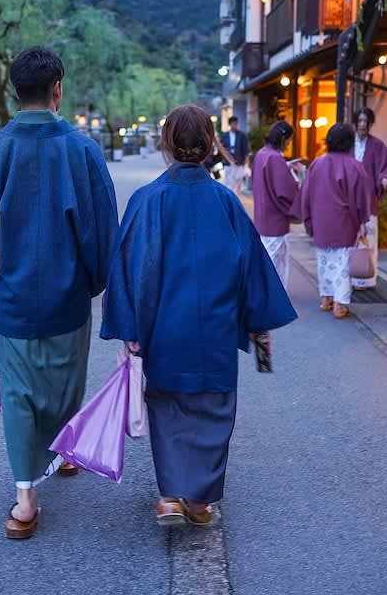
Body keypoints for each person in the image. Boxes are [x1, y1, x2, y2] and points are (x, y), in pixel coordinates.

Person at [0, 46, 119, 540]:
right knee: (64, 381)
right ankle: (61, 453)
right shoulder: (82, 150)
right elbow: (102, 227)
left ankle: (25, 499)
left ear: (17, 92)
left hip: (14, 297)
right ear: (57, 89)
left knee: (19, 395)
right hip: (69, 295)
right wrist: (104, 284)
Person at [100, 104, 297, 528]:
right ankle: (201, 501)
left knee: (167, 406)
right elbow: (252, 271)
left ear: (167, 145)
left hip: (163, 329)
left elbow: (127, 267)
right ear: (211, 145)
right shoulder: (225, 201)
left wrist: (129, 330)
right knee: (214, 410)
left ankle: (169, 496)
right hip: (217, 330)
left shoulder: (146, 200)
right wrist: (259, 330)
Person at [295, 123, 372, 319]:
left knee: (324, 260)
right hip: (344, 222)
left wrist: (308, 219)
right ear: (349, 142)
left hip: (321, 220)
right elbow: (361, 198)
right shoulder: (355, 166)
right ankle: (340, 303)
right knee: (342, 263)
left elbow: (306, 195)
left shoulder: (317, 164)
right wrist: (362, 221)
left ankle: (326, 298)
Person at [251, 121, 302, 287]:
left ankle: (265, 293)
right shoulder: (275, 157)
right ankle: (273, 296)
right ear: (283, 138)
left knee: (266, 257)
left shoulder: (262, 154)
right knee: (275, 260)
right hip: (276, 218)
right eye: (288, 140)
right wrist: (298, 180)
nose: (288, 144)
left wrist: (285, 166)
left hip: (262, 215)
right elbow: (285, 190)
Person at [352, 107, 387, 288]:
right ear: (355, 122)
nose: (362, 125)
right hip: (347, 200)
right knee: (348, 240)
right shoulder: (347, 143)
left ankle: (365, 278)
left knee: (368, 239)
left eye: (366, 121)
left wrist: (386, 179)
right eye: (360, 121)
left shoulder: (378, 146)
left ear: (370, 124)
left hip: (367, 199)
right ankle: (347, 278)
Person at [219, 115, 250, 196]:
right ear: (230, 124)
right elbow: (221, 149)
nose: (235, 125)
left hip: (239, 163)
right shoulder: (225, 136)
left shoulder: (242, 135)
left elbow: (246, 150)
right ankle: (228, 199)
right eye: (233, 123)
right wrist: (224, 160)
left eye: (236, 123)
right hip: (227, 163)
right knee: (228, 183)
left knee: (237, 184)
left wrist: (246, 165)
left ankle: (236, 200)